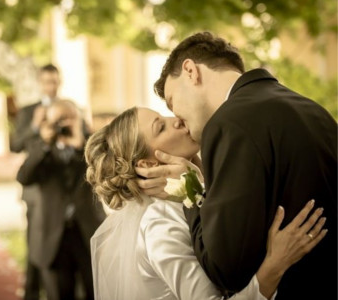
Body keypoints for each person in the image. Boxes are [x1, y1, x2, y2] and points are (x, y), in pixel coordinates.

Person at [135, 32, 337, 299]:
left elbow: (226, 269)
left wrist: (190, 188)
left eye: (173, 103)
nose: (178, 118)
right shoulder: (311, 108)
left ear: (190, 71)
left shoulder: (228, 124)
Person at [84, 106, 327, 300]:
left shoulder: (196, 190)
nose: (176, 119)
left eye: (165, 115)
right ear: (147, 164)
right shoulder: (159, 224)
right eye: (161, 127)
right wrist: (275, 264)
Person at [17, 100, 106, 300]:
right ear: (47, 123)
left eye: (70, 118)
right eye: (59, 119)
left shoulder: (92, 145)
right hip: (53, 235)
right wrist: (45, 145)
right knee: (59, 293)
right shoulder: (40, 147)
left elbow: (105, 172)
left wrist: (79, 145)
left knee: (97, 292)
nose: (64, 124)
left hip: (87, 231)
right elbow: (24, 177)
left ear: (79, 119)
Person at [10, 63, 61, 300]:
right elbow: (15, 145)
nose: (51, 87)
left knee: (57, 244)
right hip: (33, 186)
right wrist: (34, 127)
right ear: (40, 83)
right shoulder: (28, 111)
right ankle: (31, 293)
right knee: (35, 243)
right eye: (47, 82)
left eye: (55, 81)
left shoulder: (68, 109)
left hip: (60, 187)